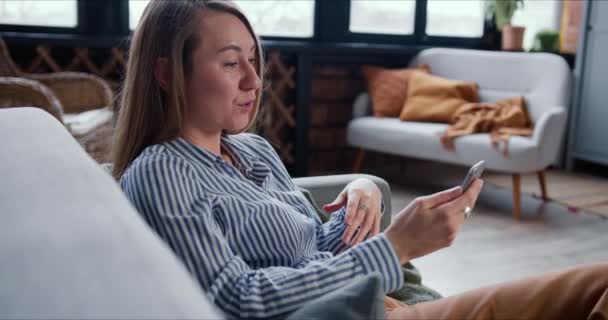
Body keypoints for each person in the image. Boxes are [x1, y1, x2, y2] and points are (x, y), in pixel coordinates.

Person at [113, 1, 608, 319]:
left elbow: (311, 243)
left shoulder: (252, 150)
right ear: (165, 72)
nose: (253, 80)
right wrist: (394, 247)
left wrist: (362, 196)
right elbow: (236, 297)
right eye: (229, 63)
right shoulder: (163, 172)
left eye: (253, 60)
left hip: (371, 298)